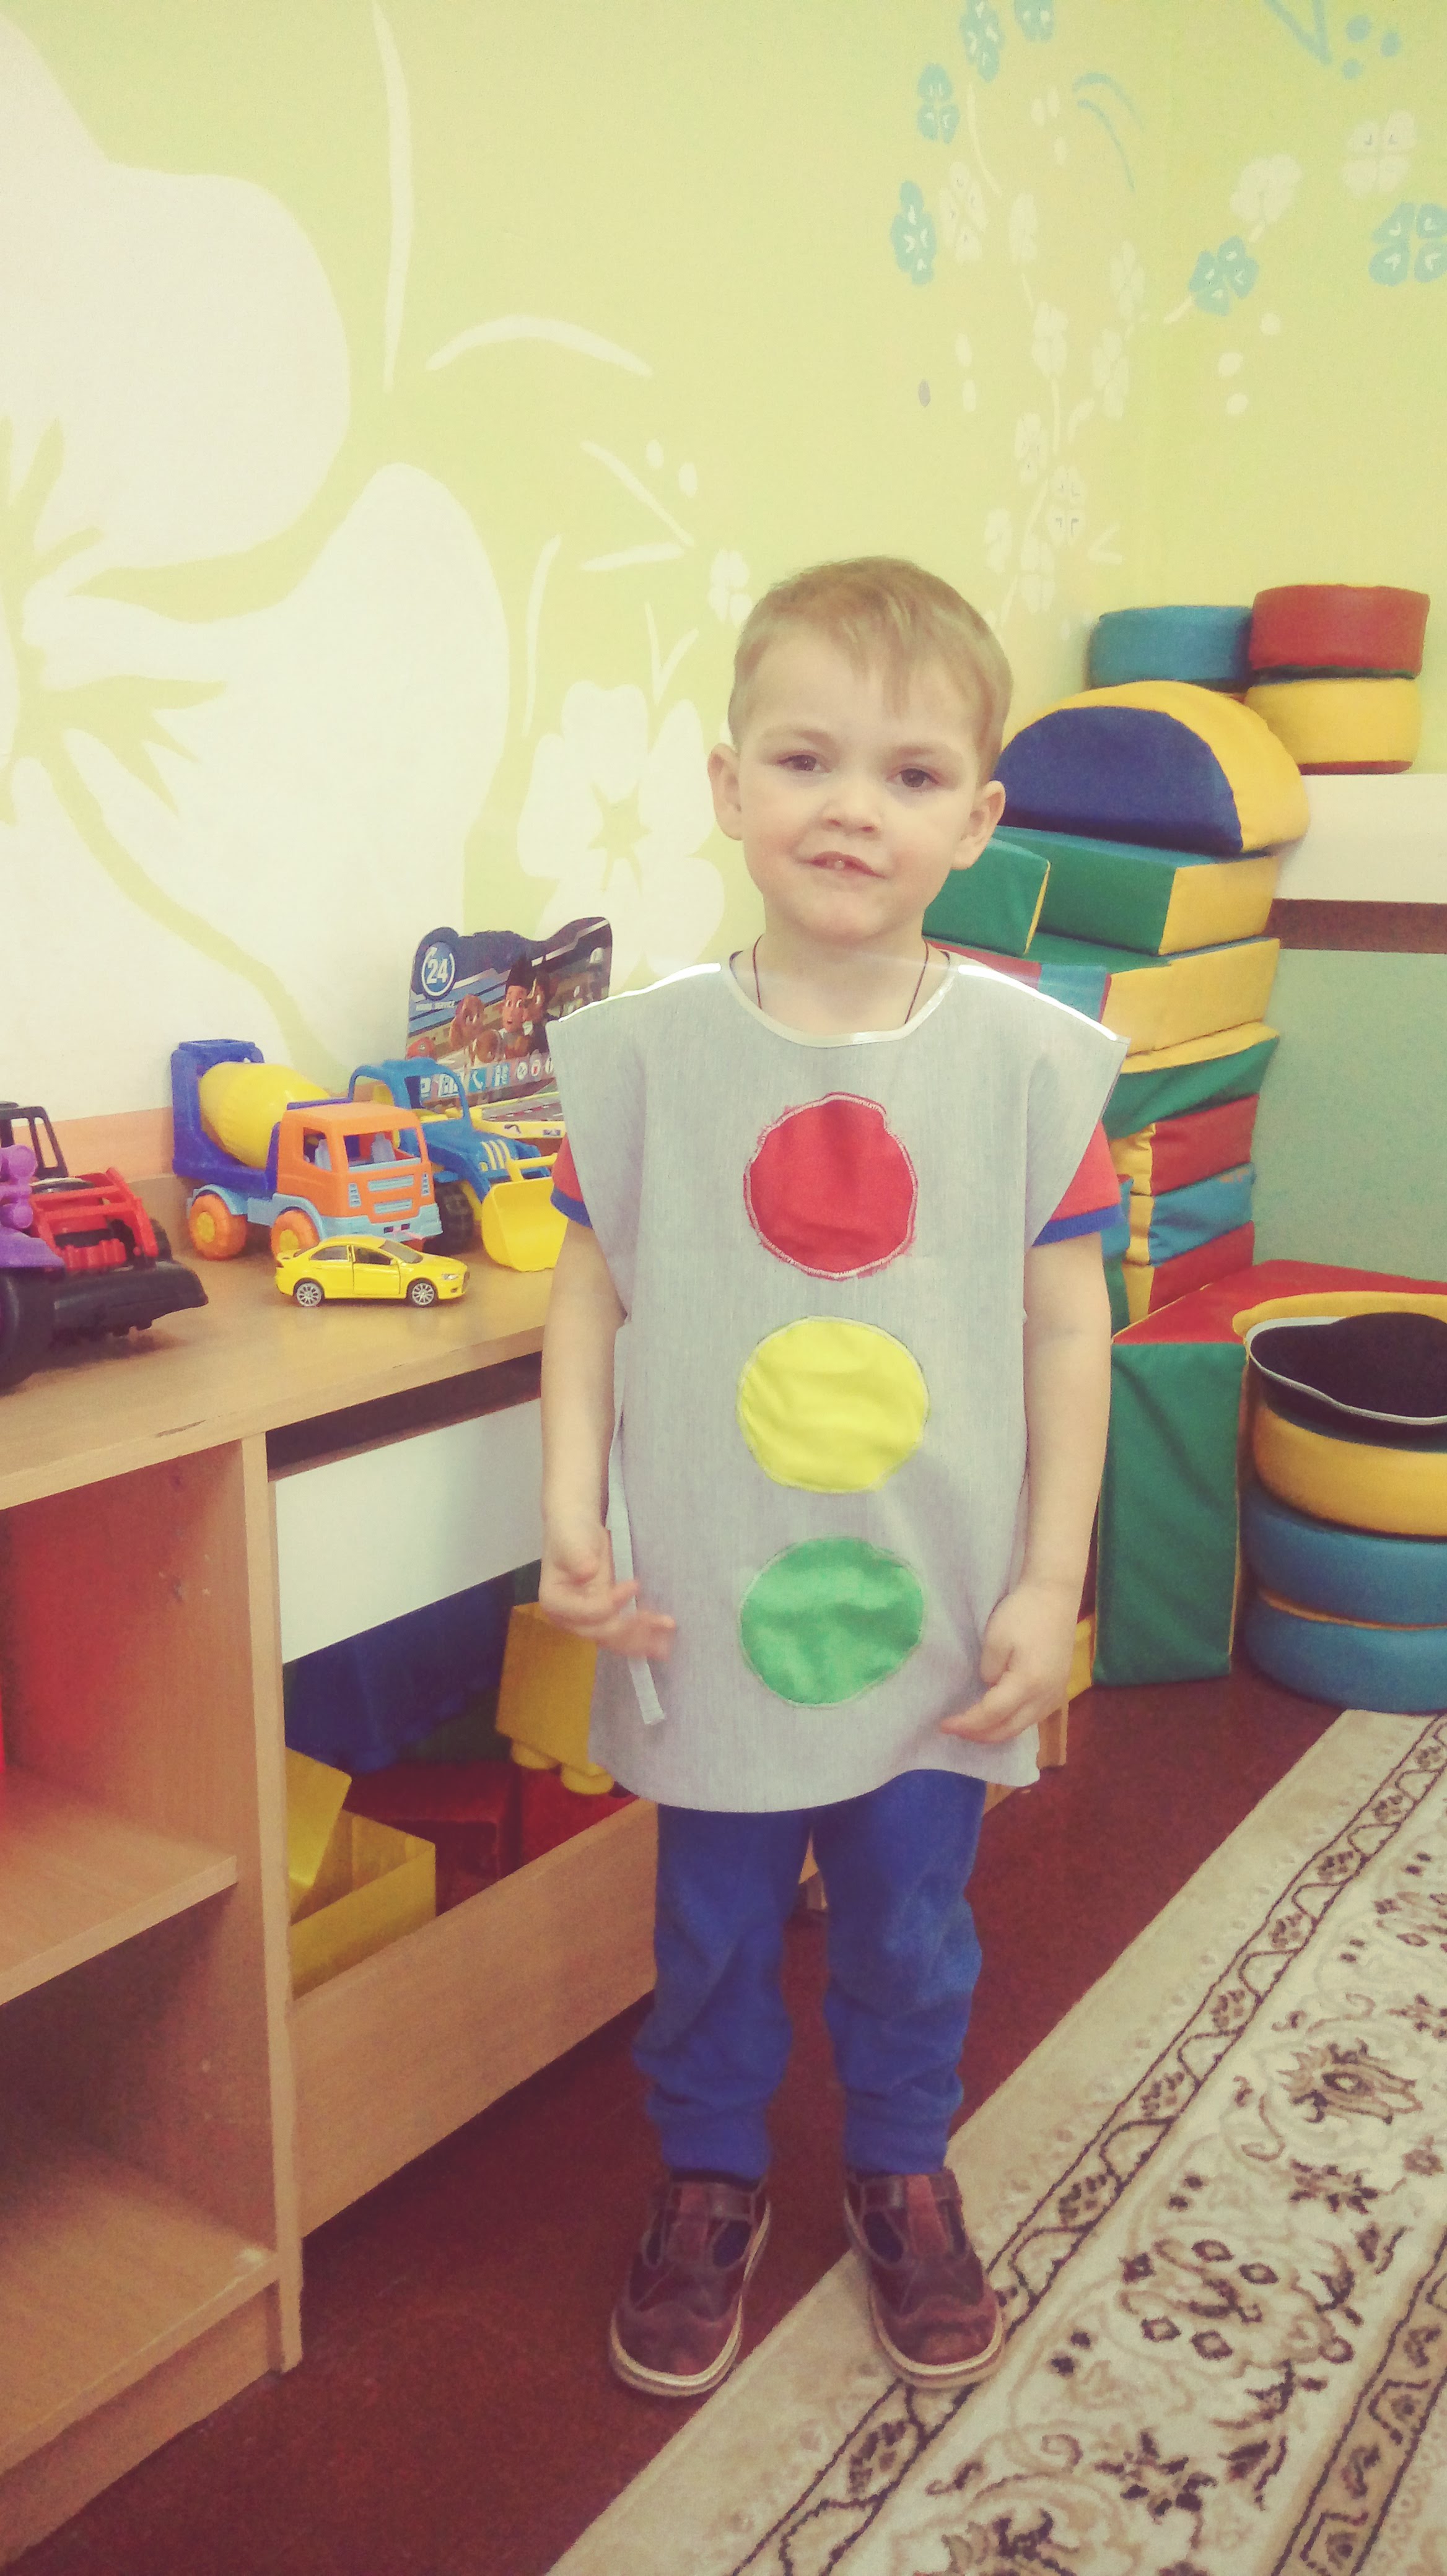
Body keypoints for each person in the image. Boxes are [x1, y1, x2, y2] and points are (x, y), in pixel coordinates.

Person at [540, 558, 1126, 2402]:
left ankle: (900, 2164)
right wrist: (571, 1512)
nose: (853, 808)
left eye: (909, 773)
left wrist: (1050, 1579)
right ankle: (710, 2175)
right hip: (708, 1592)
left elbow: (1068, 1328)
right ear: (729, 788)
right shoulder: (644, 1059)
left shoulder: (1030, 1069)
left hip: (937, 1600)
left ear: (978, 819)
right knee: (709, 1929)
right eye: (805, 760)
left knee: (910, 1924)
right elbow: (592, 1288)